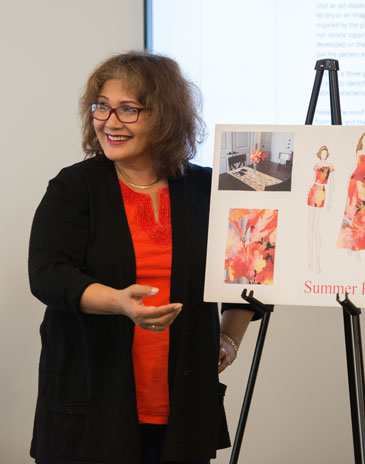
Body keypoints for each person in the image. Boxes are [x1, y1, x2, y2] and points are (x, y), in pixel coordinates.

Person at [28, 51, 256, 464]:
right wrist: (118, 302)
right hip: (91, 402)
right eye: (102, 106)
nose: (109, 122)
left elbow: (253, 267)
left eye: (128, 110)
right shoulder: (74, 187)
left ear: (165, 117)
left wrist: (229, 337)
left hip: (181, 404)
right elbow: (47, 274)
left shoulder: (207, 188)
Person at [336, 132, 365, 260]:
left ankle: (360, 242)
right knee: (349, 211)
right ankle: (349, 242)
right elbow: (354, 166)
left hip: (362, 182)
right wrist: (346, 179)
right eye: (363, 139)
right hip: (353, 181)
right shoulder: (358, 151)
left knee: (361, 212)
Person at [306, 145, 334, 273]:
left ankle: (318, 261)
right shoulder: (317, 165)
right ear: (319, 154)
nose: (323, 155)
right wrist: (307, 191)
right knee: (310, 226)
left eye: (325, 153)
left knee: (316, 227)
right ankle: (310, 259)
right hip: (313, 191)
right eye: (321, 153)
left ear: (326, 154)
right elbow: (313, 179)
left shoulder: (329, 165)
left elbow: (332, 183)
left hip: (321, 192)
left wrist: (330, 200)